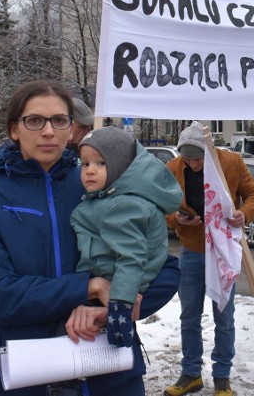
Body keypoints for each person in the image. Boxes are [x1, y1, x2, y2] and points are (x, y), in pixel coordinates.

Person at [0, 80, 181, 396]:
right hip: (30, 375)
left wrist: (113, 308)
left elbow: (165, 270)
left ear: (71, 128)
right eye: (34, 120)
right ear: (14, 130)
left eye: (59, 120)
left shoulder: (98, 185)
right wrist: (88, 285)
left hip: (110, 374)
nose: (48, 131)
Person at [164, 121, 254, 396]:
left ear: (209, 151)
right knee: (189, 315)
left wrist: (245, 213)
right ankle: (191, 373)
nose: (193, 165)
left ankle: (222, 376)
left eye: (198, 159)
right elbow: (164, 207)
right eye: (188, 160)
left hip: (223, 251)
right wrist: (177, 219)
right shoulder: (173, 169)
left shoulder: (230, 162)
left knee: (224, 316)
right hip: (192, 250)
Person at [70, 127, 182, 348]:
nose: (90, 170)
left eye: (101, 163)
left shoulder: (122, 206)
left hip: (114, 294)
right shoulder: (110, 199)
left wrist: (119, 306)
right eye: (85, 164)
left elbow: (131, 258)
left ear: (121, 168)